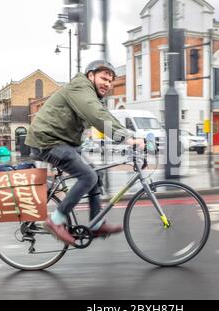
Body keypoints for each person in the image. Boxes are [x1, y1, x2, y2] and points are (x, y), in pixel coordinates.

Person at [25, 60, 144, 245]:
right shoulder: (80, 88)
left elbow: (106, 116)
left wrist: (131, 136)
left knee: (96, 172)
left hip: (63, 141)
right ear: (90, 76)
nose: (108, 84)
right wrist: (126, 139)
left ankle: (95, 224)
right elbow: (96, 116)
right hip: (47, 140)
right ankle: (54, 221)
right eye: (104, 78)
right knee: (88, 176)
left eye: (110, 81)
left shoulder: (91, 95)